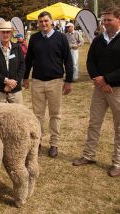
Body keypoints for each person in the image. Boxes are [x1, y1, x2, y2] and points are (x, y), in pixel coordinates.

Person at [72, 7, 120, 177]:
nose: (105, 23)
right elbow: (91, 61)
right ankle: (88, 155)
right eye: (103, 20)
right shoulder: (99, 40)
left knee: (118, 127)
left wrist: (107, 79)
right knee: (94, 123)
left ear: (118, 19)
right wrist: (99, 80)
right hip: (100, 89)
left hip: (117, 90)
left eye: (109, 20)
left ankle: (117, 163)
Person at [23, 11, 73, 158]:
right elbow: (29, 60)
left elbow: (68, 60)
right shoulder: (34, 38)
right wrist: (25, 77)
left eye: (46, 21)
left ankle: (54, 144)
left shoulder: (61, 38)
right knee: (37, 115)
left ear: (51, 21)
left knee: (55, 115)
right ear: (38, 23)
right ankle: (37, 142)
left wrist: (68, 81)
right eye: (41, 22)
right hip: (37, 82)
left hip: (55, 82)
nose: (43, 24)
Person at [0, 21, 25, 104]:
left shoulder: (17, 48)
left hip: (15, 90)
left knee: (18, 115)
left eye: (8, 32)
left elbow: (22, 66)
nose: (5, 34)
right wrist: (6, 81)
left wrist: (13, 83)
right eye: (3, 32)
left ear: (11, 34)